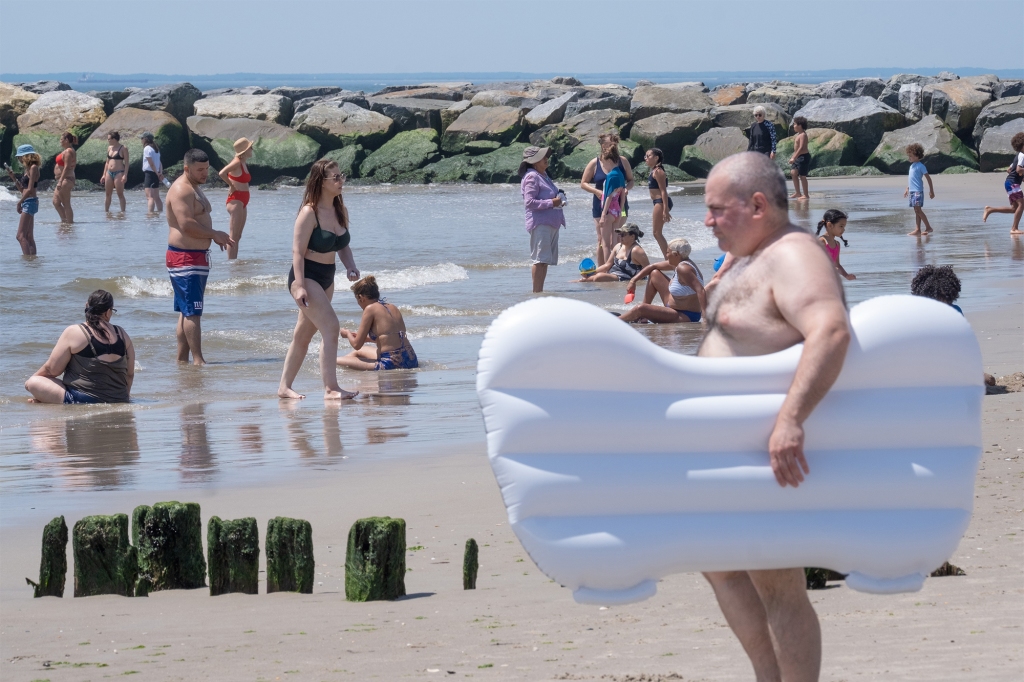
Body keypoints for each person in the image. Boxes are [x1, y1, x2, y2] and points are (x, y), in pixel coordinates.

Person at [697, 151, 851, 681]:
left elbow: (830, 330)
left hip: (766, 451)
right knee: (719, 565)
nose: (707, 220)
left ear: (757, 204)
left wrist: (791, 420)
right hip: (728, 453)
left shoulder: (795, 256)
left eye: (717, 209)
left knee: (777, 583)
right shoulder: (752, 256)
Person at [278, 158, 360, 400]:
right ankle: (331, 388)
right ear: (321, 182)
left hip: (328, 276)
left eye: (341, 175)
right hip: (307, 276)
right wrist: (299, 286)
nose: (340, 180)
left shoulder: (339, 210)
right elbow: (297, 252)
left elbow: (342, 245)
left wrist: (351, 266)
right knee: (331, 327)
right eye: (335, 177)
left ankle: (284, 387)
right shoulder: (309, 212)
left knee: (303, 335)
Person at [165, 149, 234, 365]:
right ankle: (198, 361)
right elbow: (186, 224)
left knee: (186, 310)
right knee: (193, 311)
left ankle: (182, 360)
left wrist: (212, 238)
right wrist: (214, 234)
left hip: (195, 257)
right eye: (200, 170)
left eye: (206, 169)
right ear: (187, 168)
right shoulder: (181, 190)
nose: (205, 173)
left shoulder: (194, 187)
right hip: (184, 258)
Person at [24, 290, 134, 404]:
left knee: (33, 382)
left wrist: (30, 384)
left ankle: (42, 400)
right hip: (119, 398)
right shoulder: (122, 334)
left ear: (87, 306)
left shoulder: (75, 332)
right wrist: (123, 399)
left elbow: (51, 370)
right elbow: (129, 375)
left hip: (82, 400)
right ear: (108, 312)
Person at [338, 275, 419, 371]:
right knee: (360, 352)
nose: (359, 305)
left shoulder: (370, 309)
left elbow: (356, 345)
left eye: (358, 301)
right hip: (411, 359)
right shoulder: (392, 306)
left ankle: (351, 374)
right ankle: (355, 370)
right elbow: (390, 338)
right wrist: (367, 339)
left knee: (334, 360)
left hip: (391, 363)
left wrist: (347, 333)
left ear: (361, 298)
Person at [619, 238, 706, 323]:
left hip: (685, 315)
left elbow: (701, 290)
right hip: (673, 306)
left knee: (640, 308)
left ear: (676, 255)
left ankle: (617, 321)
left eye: (668, 252)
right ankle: (643, 317)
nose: (666, 255)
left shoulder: (684, 268)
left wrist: (705, 317)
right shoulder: (679, 262)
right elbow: (652, 266)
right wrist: (633, 281)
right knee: (654, 273)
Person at [581, 133, 634, 264]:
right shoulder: (595, 163)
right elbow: (583, 183)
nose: (614, 146)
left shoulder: (623, 161)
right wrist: (597, 192)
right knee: (601, 239)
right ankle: (601, 269)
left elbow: (631, 180)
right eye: (611, 143)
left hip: (620, 204)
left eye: (615, 143)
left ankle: (618, 266)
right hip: (600, 204)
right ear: (603, 145)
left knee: (617, 238)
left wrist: (627, 188)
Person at [519, 146, 565, 293]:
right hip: (541, 223)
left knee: (544, 261)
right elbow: (529, 202)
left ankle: (539, 292)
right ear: (534, 162)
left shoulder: (543, 175)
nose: (546, 158)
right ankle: (536, 294)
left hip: (550, 222)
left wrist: (560, 198)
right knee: (539, 260)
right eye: (542, 157)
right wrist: (552, 202)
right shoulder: (532, 176)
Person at [575, 223, 651, 282]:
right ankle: (583, 280)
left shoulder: (636, 251)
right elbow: (607, 265)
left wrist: (635, 280)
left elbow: (649, 269)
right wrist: (590, 273)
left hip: (625, 278)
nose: (620, 237)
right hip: (614, 275)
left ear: (632, 237)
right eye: (619, 234)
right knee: (594, 276)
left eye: (623, 234)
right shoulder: (618, 246)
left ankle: (583, 281)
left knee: (599, 277)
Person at [218, 137, 254, 259]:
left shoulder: (243, 162)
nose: (252, 149)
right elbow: (222, 173)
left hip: (243, 200)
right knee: (233, 236)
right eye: (250, 148)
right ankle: (231, 264)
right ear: (244, 151)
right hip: (236, 200)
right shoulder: (237, 162)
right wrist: (231, 185)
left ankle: (235, 264)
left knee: (238, 236)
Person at [982, 131, 1024, 235]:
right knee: (1021, 204)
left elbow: (1010, 169)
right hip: (1012, 183)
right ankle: (1014, 229)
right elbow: (1018, 170)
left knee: (1015, 208)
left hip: (1010, 182)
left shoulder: (1019, 155)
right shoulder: (1022, 155)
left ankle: (990, 209)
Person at [6, 143, 41, 255]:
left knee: (20, 236)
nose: (19, 159)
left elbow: (30, 189)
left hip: (30, 202)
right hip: (29, 201)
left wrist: (19, 202)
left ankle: (27, 260)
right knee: (29, 236)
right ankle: (32, 261)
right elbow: (23, 190)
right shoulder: (27, 170)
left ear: (26, 156)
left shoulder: (34, 168)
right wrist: (13, 178)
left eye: (19, 157)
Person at [644, 147, 672, 256]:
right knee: (657, 233)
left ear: (656, 158)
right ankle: (669, 258)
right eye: (645, 156)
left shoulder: (659, 171)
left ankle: (669, 258)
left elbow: (663, 191)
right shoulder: (654, 171)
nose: (646, 158)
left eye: (648, 156)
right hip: (658, 202)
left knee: (657, 233)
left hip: (660, 202)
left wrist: (665, 210)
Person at [816, 208, 856, 280]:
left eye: (844, 227)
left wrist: (846, 276)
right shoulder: (822, 241)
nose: (843, 229)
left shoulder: (837, 244)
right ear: (830, 225)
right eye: (841, 226)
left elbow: (837, 265)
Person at [904, 143, 934, 236]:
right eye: (908, 156)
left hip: (918, 191)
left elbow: (928, 178)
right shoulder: (911, 166)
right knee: (916, 210)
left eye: (911, 156)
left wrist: (931, 190)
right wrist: (907, 188)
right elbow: (912, 179)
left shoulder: (921, 166)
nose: (909, 158)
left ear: (917, 156)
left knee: (918, 210)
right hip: (912, 191)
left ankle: (928, 227)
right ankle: (917, 229)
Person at [52, 132, 77, 224]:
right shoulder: (66, 151)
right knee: (56, 202)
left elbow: (67, 167)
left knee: (66, 203)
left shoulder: (68, 151)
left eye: (61, 139)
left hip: (66, 179)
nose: (60, 141)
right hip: (63, 179)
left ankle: (69, 224)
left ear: (66, 140)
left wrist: (60, 180)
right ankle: (65, 222)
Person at [101, 131, 128, 213]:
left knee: (120, 194)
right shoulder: (109, 148)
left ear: (114, 139)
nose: (108, 140)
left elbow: (126, 163)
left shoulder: (123, 148)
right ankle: (106, 212)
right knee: (108, 194)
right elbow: (107, 162)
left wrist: (125, 175)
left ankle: (123, 212)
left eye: (109, 139)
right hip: (109, 172)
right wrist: (103, 174)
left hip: (119, 172)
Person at [140, 132, 163, 214]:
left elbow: (151, 163)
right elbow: (160, 163)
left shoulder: (147, 149)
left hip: (150, 174)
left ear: (146, 139)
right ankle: (160, 215)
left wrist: (157, 173)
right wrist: (160, 173)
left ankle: (150, 215)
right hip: (156, 173)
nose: (141, 140)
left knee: (150, 197)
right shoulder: (156, 149)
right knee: (157, 197)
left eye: (142, 138)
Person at [788, 116, 810, 200]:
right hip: (798, 157)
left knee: (802, 175)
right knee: (793, 173)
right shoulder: (799, 135)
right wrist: (794, 157)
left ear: (800, 125)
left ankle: (806, 195)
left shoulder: (803, 135)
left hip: (803, 157)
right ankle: (797, 192)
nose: (793, 126)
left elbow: (801, 148)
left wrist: (794, 157)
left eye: (794, 124)